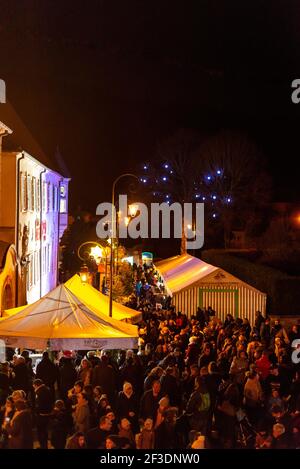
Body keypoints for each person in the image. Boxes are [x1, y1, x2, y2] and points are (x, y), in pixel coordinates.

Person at [33, 378, 53, 449]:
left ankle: (43, 446)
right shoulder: (47, 389)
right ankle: (45, 445)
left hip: (41, 415)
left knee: (41, 431)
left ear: (35, 385)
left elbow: (39, 404)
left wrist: (36, 411)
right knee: (44, 431)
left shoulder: (39, 392)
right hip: (48, 413)